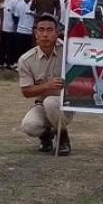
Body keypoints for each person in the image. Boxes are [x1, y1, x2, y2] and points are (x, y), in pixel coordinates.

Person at [19, 14, 74, 155]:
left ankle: (63, 139)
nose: (45, 34)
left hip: (66, 104)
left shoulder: (69, 51)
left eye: (50, 30)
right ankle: (47, 136)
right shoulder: (26, 60)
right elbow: (26, 92)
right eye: (41, 30)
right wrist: (47, 86)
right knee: (29, 126)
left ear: (57, 33)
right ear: (35, 33)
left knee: (51, 102)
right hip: (42, 104)